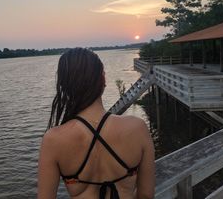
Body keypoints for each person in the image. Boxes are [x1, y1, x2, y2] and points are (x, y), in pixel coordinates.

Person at [38, 48, 155, 199]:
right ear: (103, 79)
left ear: (64, 86)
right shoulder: (137, 128)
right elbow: (146, 195)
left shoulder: (53, 140)